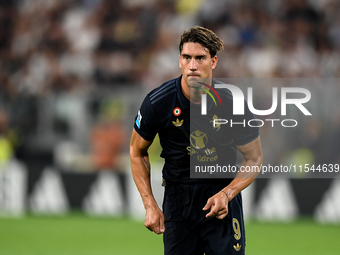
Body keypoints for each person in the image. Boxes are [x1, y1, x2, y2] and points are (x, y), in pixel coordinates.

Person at [130, 26, 263, 255]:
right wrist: (150, 204)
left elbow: (254, 157)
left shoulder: (233, 103)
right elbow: (136, 151)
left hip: (220, 199)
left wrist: (227, 194)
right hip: (178, 201)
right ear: (179, 61)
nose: (193, 65)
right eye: (187, 57)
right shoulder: (157, 102)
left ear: (213, 62)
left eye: (200, 58)